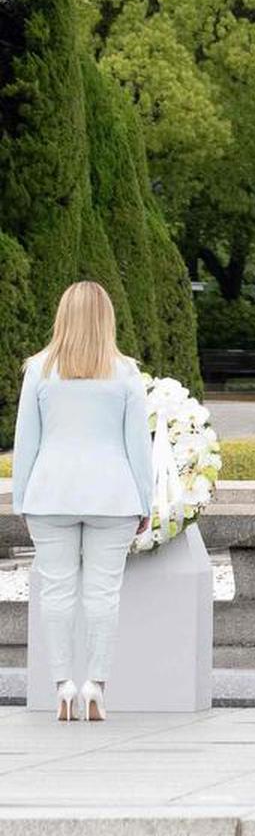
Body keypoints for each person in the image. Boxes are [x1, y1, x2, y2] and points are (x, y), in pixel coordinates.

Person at [11, 281, 154, 722]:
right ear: (107, 318)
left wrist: (21, 500)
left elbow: (26, 442)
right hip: (112, 494)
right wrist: (145, 502)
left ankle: (62, 684)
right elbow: (137, 446)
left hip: (51, 492)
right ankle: (96, 684)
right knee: (103, 594)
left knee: (55, 591)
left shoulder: (37, 370)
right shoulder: (126, 371)